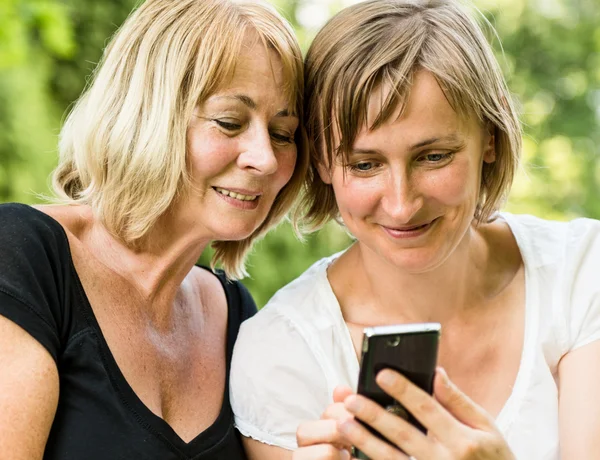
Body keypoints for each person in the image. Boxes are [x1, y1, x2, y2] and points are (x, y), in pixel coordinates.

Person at [229, 0, 600, 459]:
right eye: (365, 165)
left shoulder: (581, 275)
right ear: (322, 158)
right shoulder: (281, 352)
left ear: (489, 135)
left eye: (434, 156)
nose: (402, 206)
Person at [0, 0, 307, 458]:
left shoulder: (236, 315)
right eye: (229, 122)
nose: (264, 158)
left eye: (283, 134)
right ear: (149, 115)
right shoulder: (25, 257)